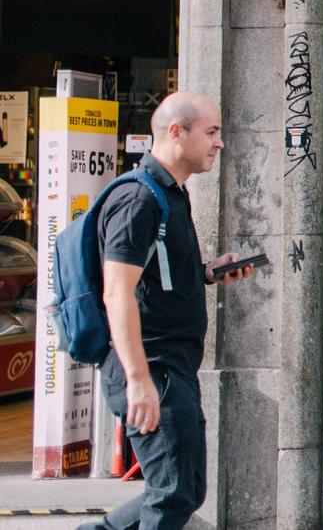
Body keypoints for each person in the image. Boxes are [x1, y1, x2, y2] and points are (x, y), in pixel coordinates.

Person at [84, 93, 257, 530]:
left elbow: (152, 277)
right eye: (212, 132)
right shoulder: (137, 200)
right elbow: (116, 293)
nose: (219, 143)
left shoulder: (171, 194)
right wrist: (139, 381)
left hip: (172, 366)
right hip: (150, 366)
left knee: (185, 487)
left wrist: (205, 273)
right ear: (176, 132)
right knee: (172, 493)